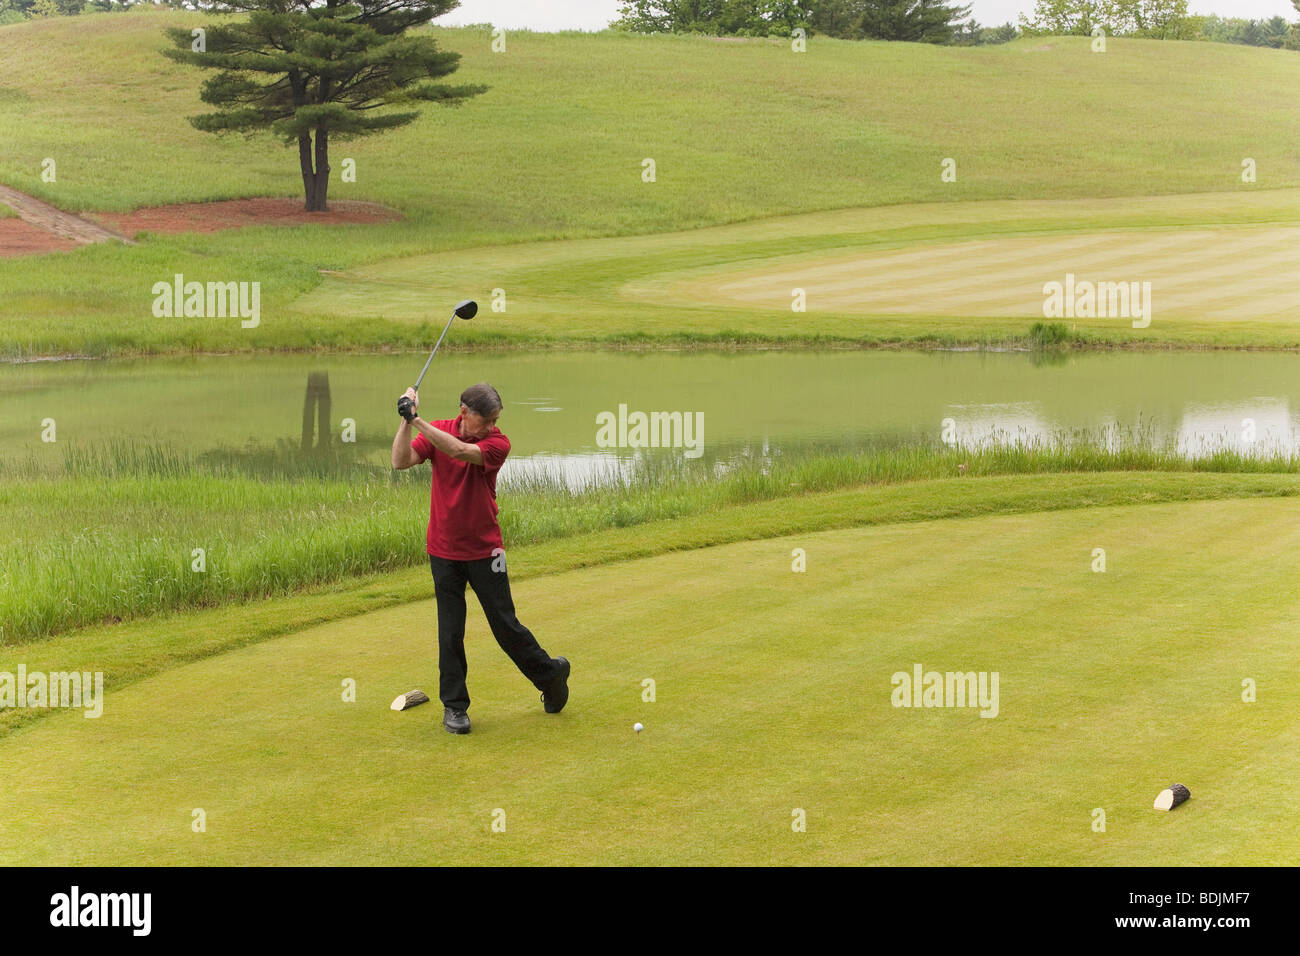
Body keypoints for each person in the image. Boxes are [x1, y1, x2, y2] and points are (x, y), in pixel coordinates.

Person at [392, 381, 569, 735]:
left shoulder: (497, 444)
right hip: (442, 550)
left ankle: (550, 675)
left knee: (506, 627)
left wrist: (417, 420)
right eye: (485, 420)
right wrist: (404, 421)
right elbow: (400, 461)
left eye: (495, 419)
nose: (491, 426)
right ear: (464, 413)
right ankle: (455, 707)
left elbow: (458, 451)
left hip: (487, 551)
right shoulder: (439, 430)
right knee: (450, 632)